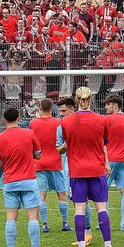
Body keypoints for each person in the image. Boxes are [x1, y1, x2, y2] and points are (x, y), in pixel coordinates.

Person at [61, 86, 118, 247]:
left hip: (77, 171)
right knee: (101, 207)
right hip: (97, 169)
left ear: (76, 100)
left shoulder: (66, 122)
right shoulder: (102, 120)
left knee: (79, 208)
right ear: (91, 100)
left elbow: (66, 141)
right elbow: (104, 143)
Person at [0, 107, 48, 247]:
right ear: (18, 118)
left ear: (4, 119)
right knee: (32, 218)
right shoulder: (29, 133)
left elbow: (0, 162)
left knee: (11, 218)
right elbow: (38, 154)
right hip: (29, 180)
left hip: (10, 181)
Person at [29, 98, 72, 233]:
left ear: (40, 108)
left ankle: (45, 224)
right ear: (52, 109)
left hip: (39, 163)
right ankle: (65, 223)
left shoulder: (33, 123)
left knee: (42, 195)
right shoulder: (59, 122)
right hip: (55, 162)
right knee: (61, 194)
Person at [56, 97, 94, 247]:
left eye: (64, 111)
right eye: (59, 111)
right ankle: (87, 232)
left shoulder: (86, 122)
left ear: (73, 108)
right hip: (71, 168)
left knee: (85, 202)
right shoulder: (61, 127)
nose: (61, 114)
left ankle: (88, 232)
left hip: (88, 167)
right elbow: (59, 149)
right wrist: (65, 146)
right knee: (79, 201)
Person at [104, 94, 124, 231]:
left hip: (109, 160)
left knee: (103, 191)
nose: (106, 107)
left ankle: (105, 221)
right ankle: (123, 223)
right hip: (123, 159)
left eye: (108, 104)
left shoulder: (107, 119)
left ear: (115, 105)